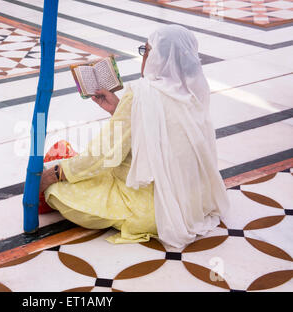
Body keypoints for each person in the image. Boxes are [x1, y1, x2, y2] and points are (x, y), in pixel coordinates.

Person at [39, 25, 230, 248]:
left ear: (159, 57)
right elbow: (163, 132)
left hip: (150, 211)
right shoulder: (194, 92)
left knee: (58, 190)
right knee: (81, 167)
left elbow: (104, 154)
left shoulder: (141, 93)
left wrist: (55, 174)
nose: (144, 56)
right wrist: (118, 110)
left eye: (147, 50)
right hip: (192, 205)